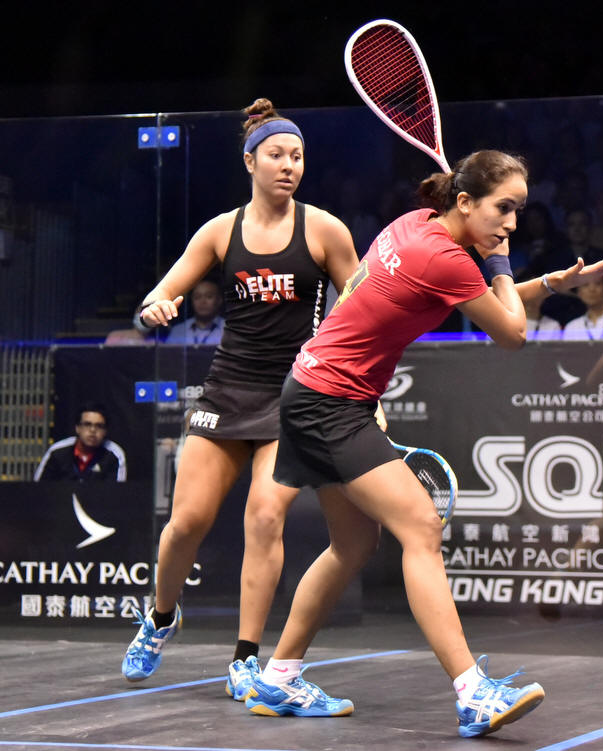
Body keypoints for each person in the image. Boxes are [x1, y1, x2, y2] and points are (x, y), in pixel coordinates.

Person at [242, 150, 603, 738]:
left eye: (519, 212)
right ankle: (473, 693)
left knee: (353, 543)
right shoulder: (447, 258)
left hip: (313, 389)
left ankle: (279, 677)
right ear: (465, 202)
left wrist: (551, 283)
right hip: (330, 402)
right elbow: (511, 332)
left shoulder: (416, 226)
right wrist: (500, 262)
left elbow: (473, 297)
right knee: (421, 525)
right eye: (503, 209)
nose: (511, 224)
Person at [120, 98, 382, 698]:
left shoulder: (325, 230)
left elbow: (365, 311)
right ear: (250, 161)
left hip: (293, 398)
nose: (289, 166)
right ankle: (161, 617)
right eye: (277, 155)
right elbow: (155, 299)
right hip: (226, 392)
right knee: (185, 524)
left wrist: (364, 387)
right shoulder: (219, 231)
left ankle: (245, 658)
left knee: (265, 517)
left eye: (298, 156)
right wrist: (153, 310)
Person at [34, 402, 127, 482]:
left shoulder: (114, 455)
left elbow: (117, 493)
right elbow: (39, 490)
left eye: (99, 426)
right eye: (87, 424)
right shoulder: (57, 452)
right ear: (77, 428)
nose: (93, 430)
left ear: (105, 431)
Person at [563, 275, 603, 340]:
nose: (592, 289)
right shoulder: (572, 327)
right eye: (585, 285)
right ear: (578, 292)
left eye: (598, 284)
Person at [165, 278, 225, 345]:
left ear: (219, 300)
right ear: (191, 301)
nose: (202, 301)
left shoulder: (228, 329)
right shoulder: (178, 330)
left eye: (209, 296)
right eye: (197, 297)